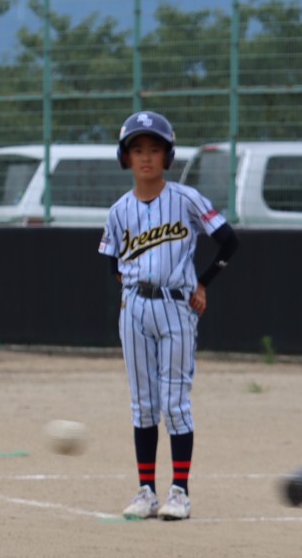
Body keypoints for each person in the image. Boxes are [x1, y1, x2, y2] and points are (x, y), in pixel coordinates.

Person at [100, 111, 239, 521]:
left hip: (177, 307)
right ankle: (146, 491)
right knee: (143, 404)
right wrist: (130, 293)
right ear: (126, 158)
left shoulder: (185, 198)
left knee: (174, 403)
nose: (146, 158)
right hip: (135, 309)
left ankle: (180, 491)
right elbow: (111, 262)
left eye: (154, 150)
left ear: (168, 157)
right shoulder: (119, 211)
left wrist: (204, 282)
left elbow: (229, 241)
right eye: (138, 150)